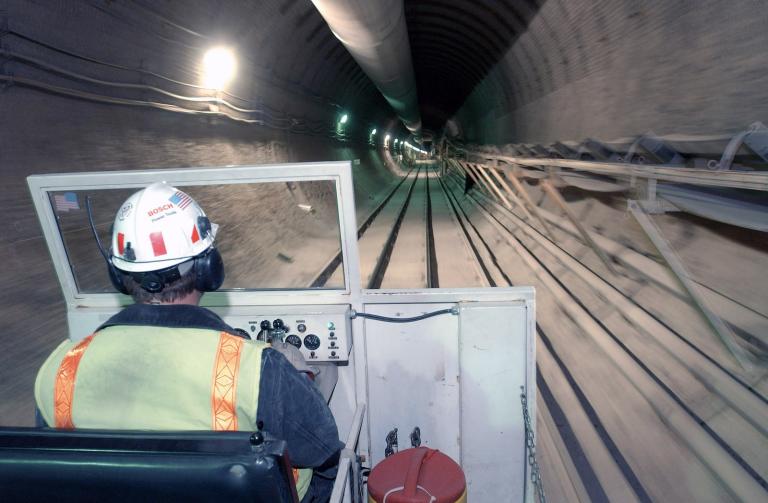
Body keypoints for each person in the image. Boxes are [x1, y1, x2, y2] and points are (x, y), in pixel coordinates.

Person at [34, 182, 342, 502]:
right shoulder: (255, 369)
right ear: (208, 268)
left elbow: (51, 473)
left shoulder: (58, 370)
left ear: (118, 275)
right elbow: (323, 447)